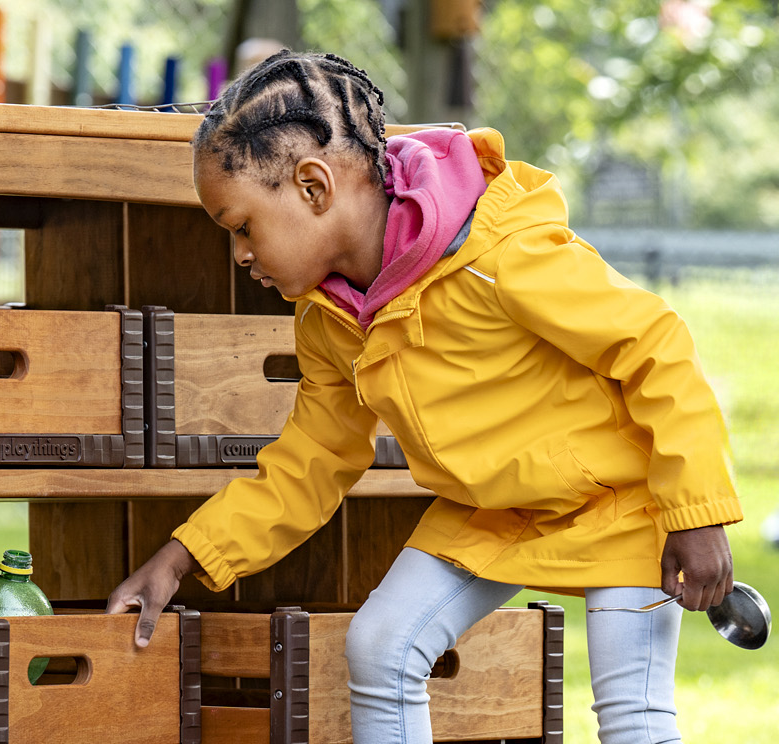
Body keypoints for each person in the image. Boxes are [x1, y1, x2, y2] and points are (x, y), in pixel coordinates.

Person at [105, 50, 742, 743]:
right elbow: (313, 458)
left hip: (619, 503)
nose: (240, 255)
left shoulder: (503, 256)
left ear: (314, 187)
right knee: (380, 647)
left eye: (242, 227)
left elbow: (655, 346)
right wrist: (182, 555)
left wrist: (695, 514)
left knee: (633, 717)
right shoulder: (329, 315)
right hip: (491, 510)